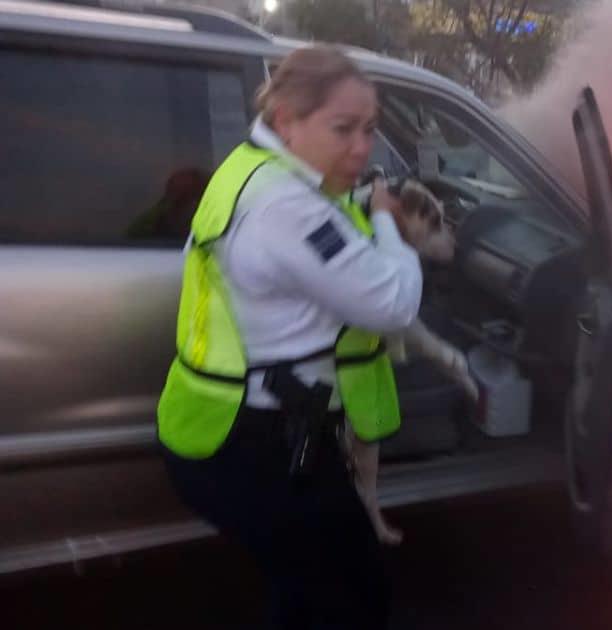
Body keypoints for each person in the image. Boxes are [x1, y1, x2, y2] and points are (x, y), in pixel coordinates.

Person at [156, 46, 422, 629]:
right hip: (263, 449)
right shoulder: (288, 207)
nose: (362, 147)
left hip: (226, 434)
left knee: (310, 586)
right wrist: (385, 222)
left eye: (371, 128)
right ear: (287, 122)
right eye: (343, 128)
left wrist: (352, 203)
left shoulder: (251, 168)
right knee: (347, 597)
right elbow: (395, 304)